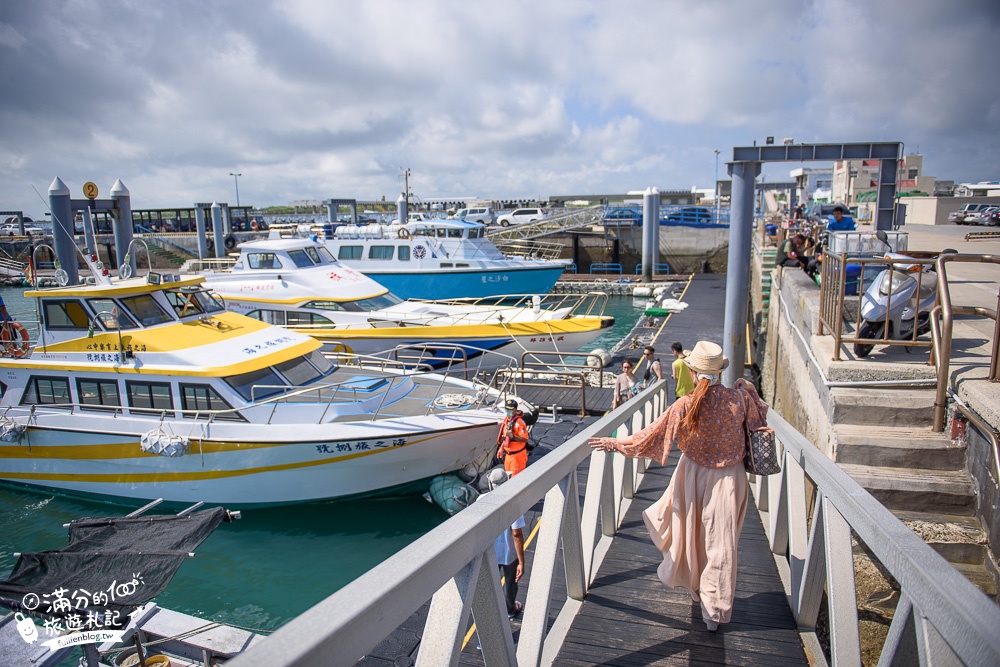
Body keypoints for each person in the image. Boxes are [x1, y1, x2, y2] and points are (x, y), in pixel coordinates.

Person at [588, 341, 768, 632]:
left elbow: (648, 436)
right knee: (721, 543)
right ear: (720, 371)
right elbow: (760, 423)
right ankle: (714, 611)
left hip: (692, 473)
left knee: (691, 533)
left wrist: (613, 443)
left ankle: (695, 584)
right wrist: (749, 388)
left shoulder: (685, 404)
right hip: (729, 479)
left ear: (693, 372)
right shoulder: (739, 399)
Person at [486, 469, 526, 620]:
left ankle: (488, 615)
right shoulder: (513, 504)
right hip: (509, 553)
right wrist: (521, 562)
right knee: (511, 583)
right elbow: (516, 534)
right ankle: (510, 608)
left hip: (489, 552)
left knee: (489, 585)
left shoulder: (481, 500)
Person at [496, 399, 530, 477]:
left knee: (516, 478)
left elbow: (525, 439)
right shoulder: (507, 420)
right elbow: (505, 436)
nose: (507, 411)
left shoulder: (519, 422)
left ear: (515, 410)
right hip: (508, 455)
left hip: (517, 456)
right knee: (508, 476)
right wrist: (501, 448)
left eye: (510, 409)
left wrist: (512, 436)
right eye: (506, 409)